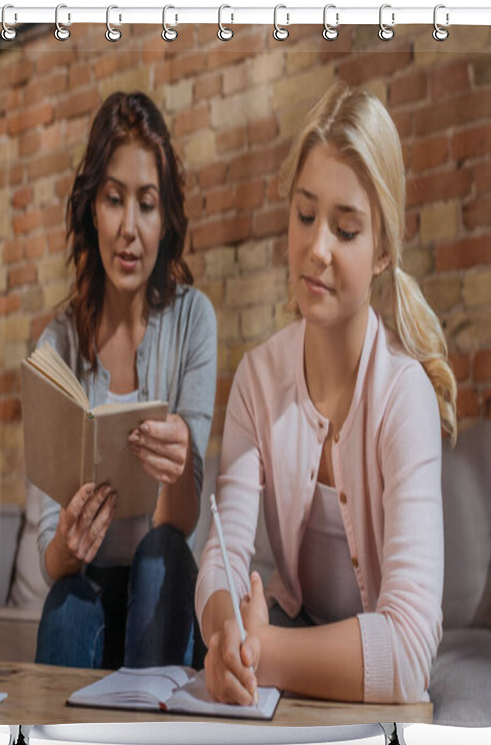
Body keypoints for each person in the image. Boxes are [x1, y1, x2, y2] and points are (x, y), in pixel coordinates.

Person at [195, 83, 457, 705]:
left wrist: (266, 653)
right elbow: (223, 553)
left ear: (382, 250)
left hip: (299, 649)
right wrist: (227, 636)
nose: (315, 248)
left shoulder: (404, 396)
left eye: (345, 229)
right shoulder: (257, 380)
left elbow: (410, 651)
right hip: (294, 631)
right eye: (305, 216)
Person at [30, 91, 217, 671]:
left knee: (162, 553)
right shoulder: (56, 345)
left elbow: (184, 522)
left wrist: (182, 460)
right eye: (114, 200)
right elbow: (50, 555)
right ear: (93, 209)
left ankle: (147, 729)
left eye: (147, 204)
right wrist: (67, 546)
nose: (129, 229)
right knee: (66, 597)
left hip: (161, 595)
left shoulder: (193, 320)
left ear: (166, 221)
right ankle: (53, 742)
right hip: (88, 592)